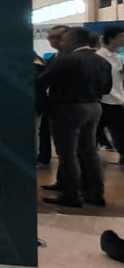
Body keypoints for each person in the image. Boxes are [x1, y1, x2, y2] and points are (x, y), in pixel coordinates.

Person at [38, 27, 112, 208]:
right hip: (94, 106)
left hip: (68, 108)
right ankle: (95, 194)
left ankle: (72, 195)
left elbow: (41, 81)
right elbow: (107, 89)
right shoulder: (102, 61)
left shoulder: (67, 60)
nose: (61, 42)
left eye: (63, 39)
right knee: (89, 152)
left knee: (67, 154)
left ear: (72, 40)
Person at [38, 25, 69, 165]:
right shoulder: (52, 58)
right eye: (50, 37)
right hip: (52, 101)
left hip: (70, 105)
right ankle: (44, 157)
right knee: (45, 131)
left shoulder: (74, 58)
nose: (52, 41)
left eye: (57, 37)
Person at [96, 27, 124, 164]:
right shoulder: (99, 57)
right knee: (96, 131)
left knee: (119, 130)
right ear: (111, 39)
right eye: (121, 36)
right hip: (104, 100)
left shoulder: (117, 57)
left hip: (117, 99)